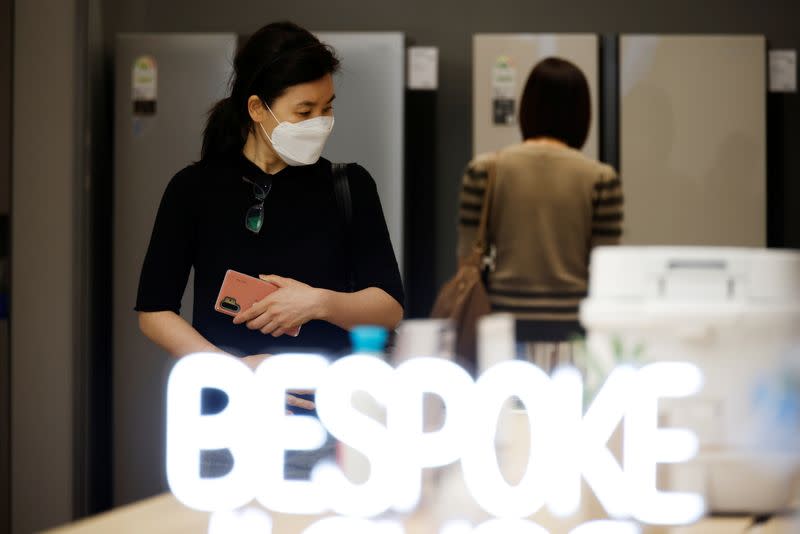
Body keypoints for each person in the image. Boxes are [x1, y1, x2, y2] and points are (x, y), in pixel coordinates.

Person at [135, 21, 404, 476]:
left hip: (334, 425)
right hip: (225, 423)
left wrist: (317, 302)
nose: (320, 123)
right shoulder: (194, 188)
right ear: (258, 109)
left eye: (327, 108)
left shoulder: (350, 186)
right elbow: (154, 311)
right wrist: (235, 372)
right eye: (304, 112)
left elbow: (389, 307)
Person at [456, 57, 623, 371]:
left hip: (502, 333)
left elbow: (467, 261)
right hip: (575, 336)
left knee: (506, 418)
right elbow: (606, 270)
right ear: (582, 114)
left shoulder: (485, 170)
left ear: (526, 108)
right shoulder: (602, 178)